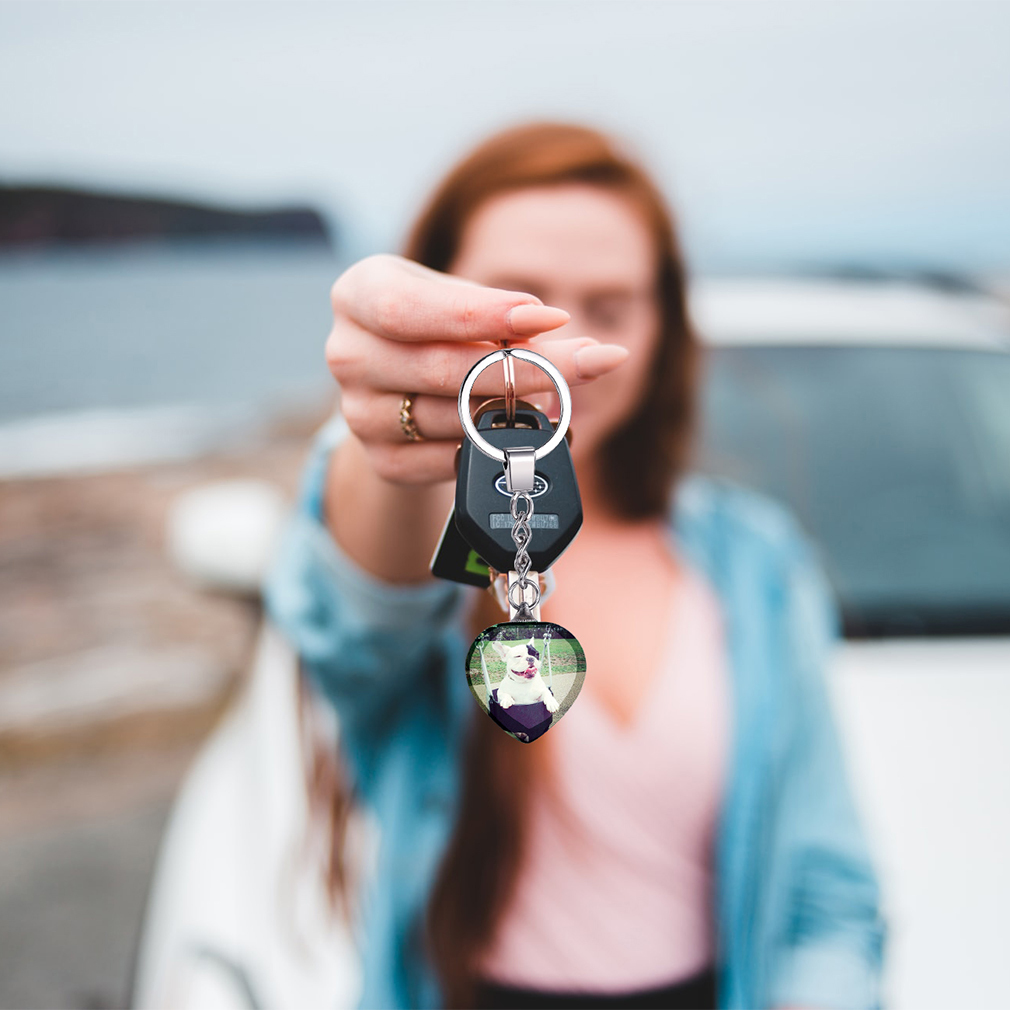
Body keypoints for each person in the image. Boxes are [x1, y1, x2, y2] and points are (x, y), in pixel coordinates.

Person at [149, 122, 887, 1010]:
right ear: (438, 304)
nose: (557, 344)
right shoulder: (437, 533)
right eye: (519, 304)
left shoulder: (757, 564)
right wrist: (383, 445)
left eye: (609, 307)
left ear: (662, 330)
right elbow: (354, 616)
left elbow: (828, 894)